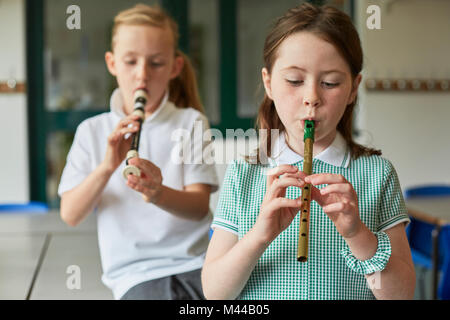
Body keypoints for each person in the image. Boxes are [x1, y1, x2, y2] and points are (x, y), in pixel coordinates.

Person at [202, 3, 415, 300]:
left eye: (330, 83)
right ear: (269, 84)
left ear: (353, 89)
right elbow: (215, 294)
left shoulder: (376, 174)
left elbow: (399, 295)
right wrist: (259, 236)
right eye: (294, 81)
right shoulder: (244, 172)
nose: (311, 98)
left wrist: (358, 235)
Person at [58, 4, 218, 300]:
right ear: (112, 63)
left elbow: (198, 208)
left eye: (156, 63)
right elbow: (70, 214)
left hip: (199, 264)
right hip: (136, 273)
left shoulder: (191, 122)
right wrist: (107, 166)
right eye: (130, 61)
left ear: (175, 67)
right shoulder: (91, 131)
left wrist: (158, 192)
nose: (142, 75)